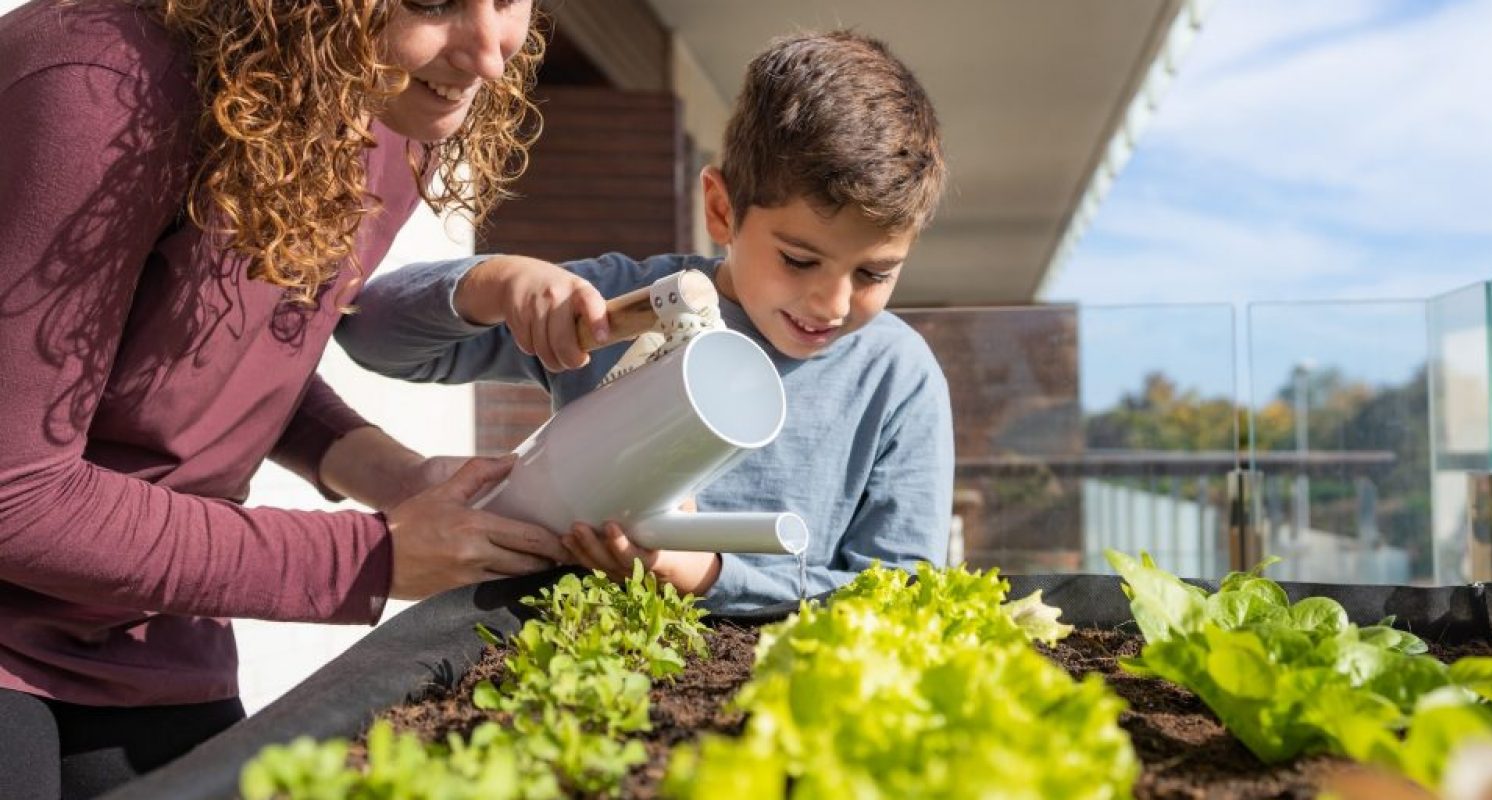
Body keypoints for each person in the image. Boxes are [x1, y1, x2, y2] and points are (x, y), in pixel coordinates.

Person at [0, 1, 568, 796]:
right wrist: (370, 559)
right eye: (434, 2)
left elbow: (215, 354)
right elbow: (15, 492)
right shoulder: (100, 87)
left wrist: (401, 479)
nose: (490, 56)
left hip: (147, 639)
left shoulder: (385, 103)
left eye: (507, 0)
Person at [337, 30, 956, 613]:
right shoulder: (631, 302)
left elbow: (902, 598)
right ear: (721, 209)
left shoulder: (897, 377)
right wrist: (495, 285)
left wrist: (710, 576)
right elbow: (368, 335)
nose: (833, 304)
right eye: (799, 260)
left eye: (874, 274)